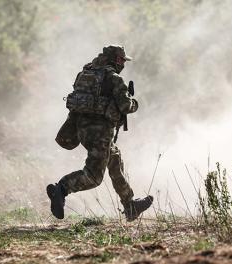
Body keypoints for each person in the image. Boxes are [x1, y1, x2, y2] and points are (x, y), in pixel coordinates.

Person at [47, 45, 153, 221]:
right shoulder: (113, 78)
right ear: (116, 59)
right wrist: (135, 103)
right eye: (122, 60)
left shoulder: (85, 73)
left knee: (114, 160)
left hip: (81, 129)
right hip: (101, 133)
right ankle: (62, 189)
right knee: (94, 176)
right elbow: (126, 106)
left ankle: (130, 205)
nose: (123, 64)